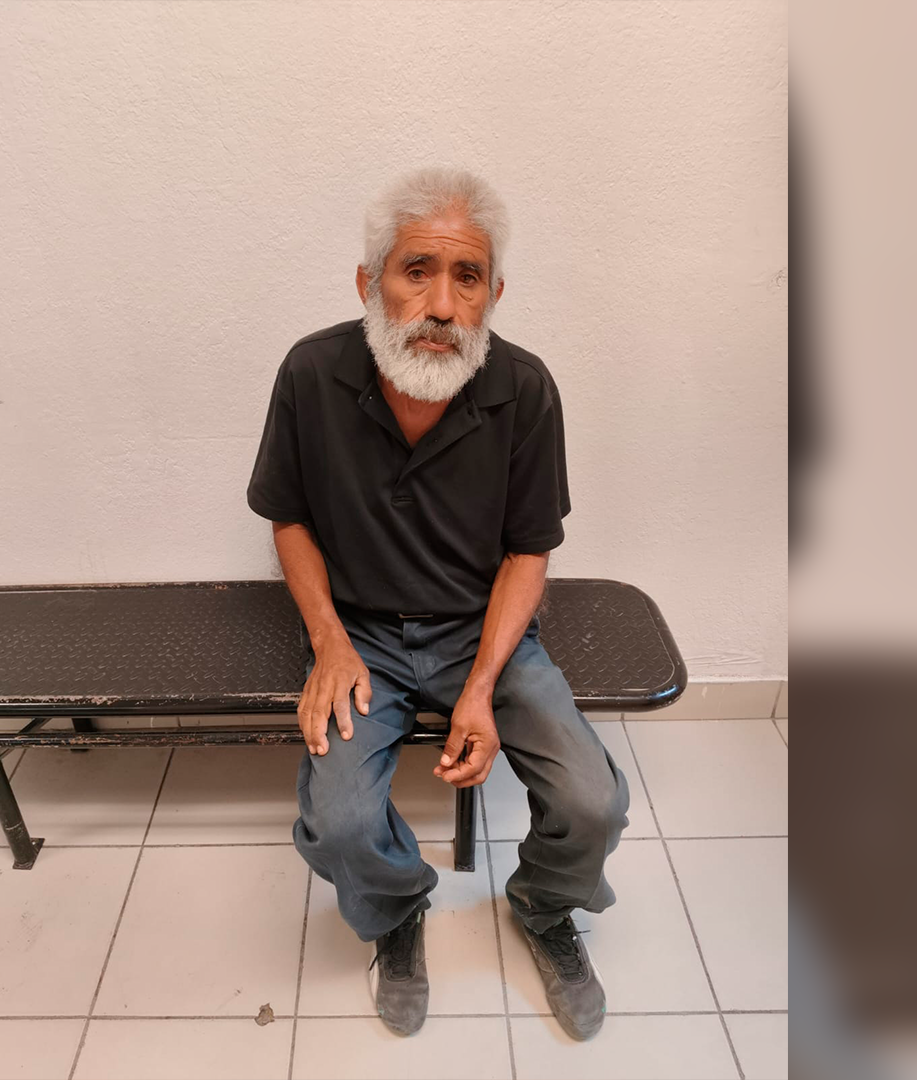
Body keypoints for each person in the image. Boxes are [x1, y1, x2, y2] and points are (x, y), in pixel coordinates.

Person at [246, 167, 630, 1040]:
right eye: (416, 271)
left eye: (468, 278)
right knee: (339, 824)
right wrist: (330, 641)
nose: (443, 306)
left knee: (594, 801)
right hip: (360, 635)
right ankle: (396, 911)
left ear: (494, 294)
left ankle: (543, 906)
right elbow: (289, 518)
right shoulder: (311, 373)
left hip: (482, 631)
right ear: (368, 282)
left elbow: (529, 552)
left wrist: (482, 686)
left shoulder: (524, 389)